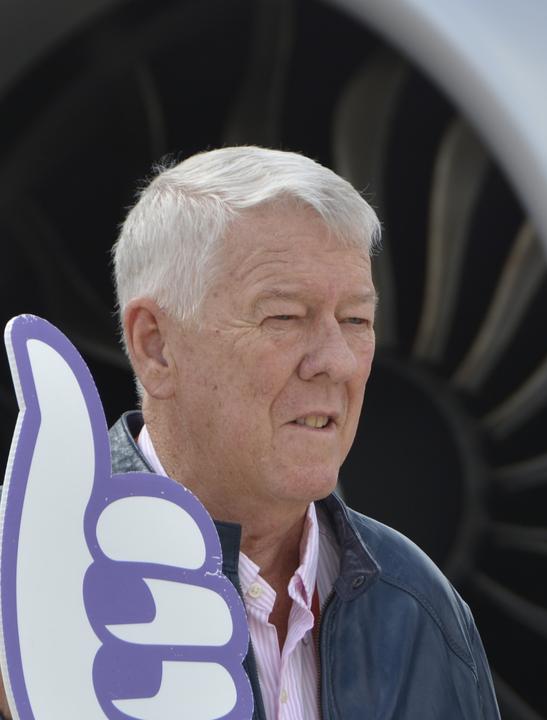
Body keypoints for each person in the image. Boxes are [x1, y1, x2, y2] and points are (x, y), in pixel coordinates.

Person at [1, 147, 499, 719]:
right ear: (155, 346)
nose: (337, 361)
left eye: (357, 320)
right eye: (283, 317)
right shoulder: (21, 593)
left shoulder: (421, 606)